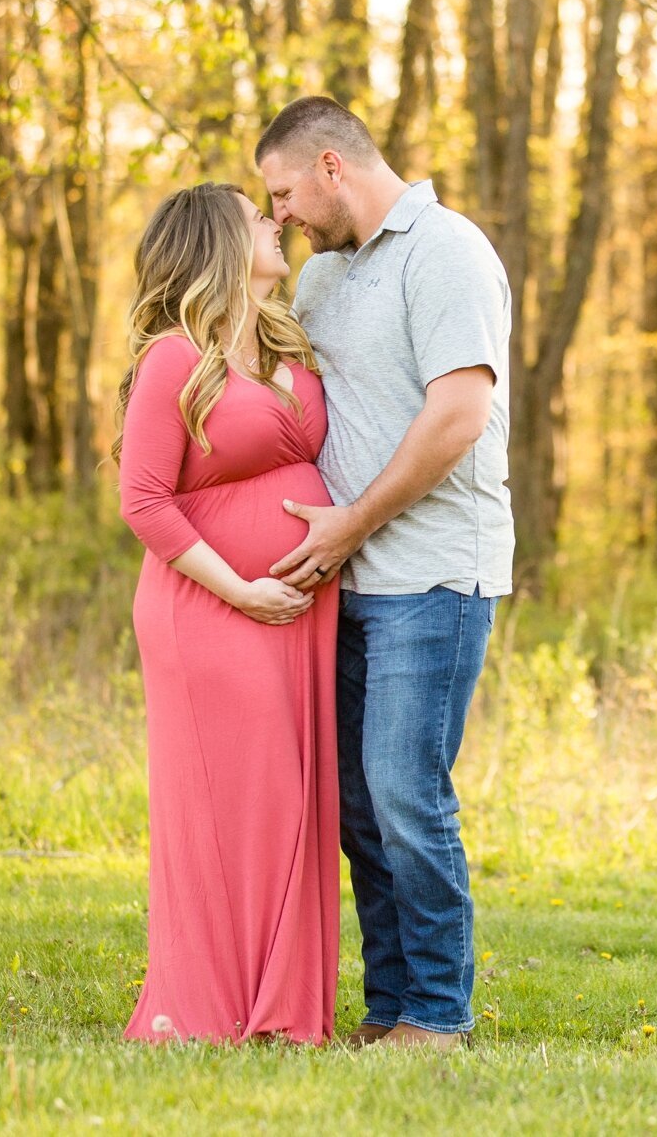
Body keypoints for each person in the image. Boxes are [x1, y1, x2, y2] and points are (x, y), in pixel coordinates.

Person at [257, 96, 513, 1052]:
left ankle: (440, 1019)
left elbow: (458, 414)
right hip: (349, 584)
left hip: (434, 577)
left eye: (282, 191)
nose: (278, 213)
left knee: (407, 795)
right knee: (359, 808)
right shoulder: (320, 282)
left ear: (331, 166)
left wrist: (352, 524)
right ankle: (391, 1009)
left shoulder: (446, 251)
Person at [113, 182, 337, 1045]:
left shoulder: (287, 345)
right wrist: (240, 589)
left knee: (293, 801)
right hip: (210, 609)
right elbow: (143, 501)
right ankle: (209, 1005)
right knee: (248, 799)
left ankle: (282, 1009)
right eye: (256, 216)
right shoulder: (175, 358)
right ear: (217, 244)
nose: (276, 221)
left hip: (296, 615)